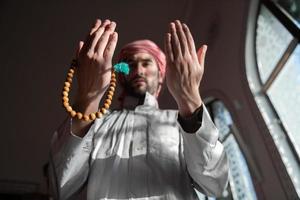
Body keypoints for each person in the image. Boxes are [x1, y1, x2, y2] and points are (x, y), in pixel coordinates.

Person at [49, 19, 229, 200]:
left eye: (146, 63)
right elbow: (61, 187)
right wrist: (88, 97)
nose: (138, 71)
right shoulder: (96, 122)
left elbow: (215, 183)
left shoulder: (181, 121)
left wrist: (189, 99)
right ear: (121, 75)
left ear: (161, 75)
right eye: (131, 65)